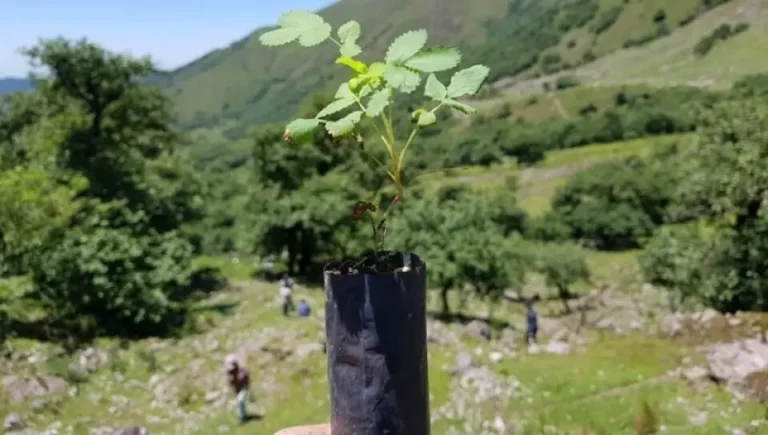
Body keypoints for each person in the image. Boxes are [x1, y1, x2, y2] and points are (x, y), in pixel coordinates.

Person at [224, 354, 251, 424]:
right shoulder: (230, 372)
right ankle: (243, 415)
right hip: (237, 390)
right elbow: (230, 383)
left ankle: (242, 417)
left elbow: (246, 379)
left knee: (240, 399)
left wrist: (247, 386)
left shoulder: (242, 370)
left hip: (243, 388)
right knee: (239, 402)